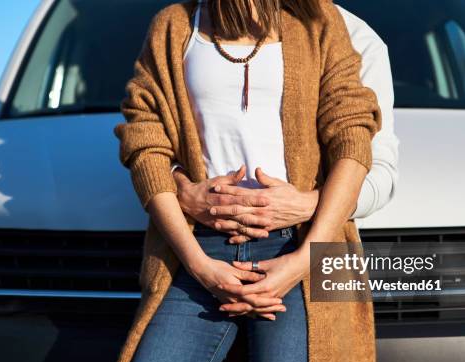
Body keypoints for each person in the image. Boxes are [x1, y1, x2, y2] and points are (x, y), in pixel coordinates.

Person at [108, 1, 382, 362]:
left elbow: (353, 135)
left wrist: (306, 258)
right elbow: (145, 144)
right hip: (199, 250)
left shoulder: (319, 19)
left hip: (300, 246)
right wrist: (200, 266)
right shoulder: (175, 25)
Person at [171, 4, 399, 245]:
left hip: (309, 240)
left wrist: (308, 204)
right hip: (194, 237)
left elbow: (379, 170)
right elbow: (155, 140)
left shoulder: (356, 37)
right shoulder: (187, 26)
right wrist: (181, 188)